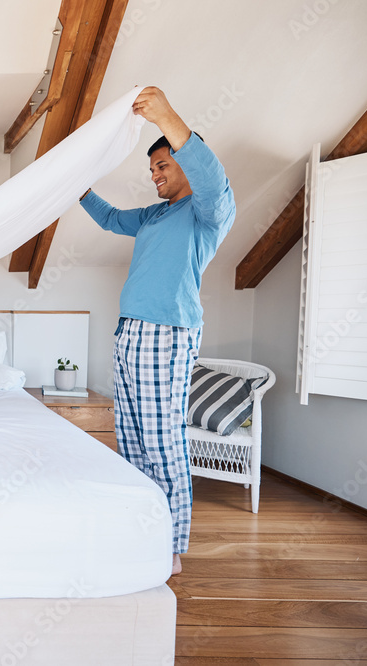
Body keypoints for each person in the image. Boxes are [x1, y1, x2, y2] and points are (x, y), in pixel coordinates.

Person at [78, 87, 235, 576]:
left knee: (163, 439)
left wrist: (166, 118)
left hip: (167, 334)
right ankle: (142, 527)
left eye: (162, 166)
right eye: (152, 169)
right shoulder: (155, 215)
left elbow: (212, 176)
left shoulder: (208, 212)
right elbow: (108, 218)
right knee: (132, 437)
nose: (155, 175)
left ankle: (170, 545)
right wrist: (75, 187)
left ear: (185, 165)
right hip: (131, 335)